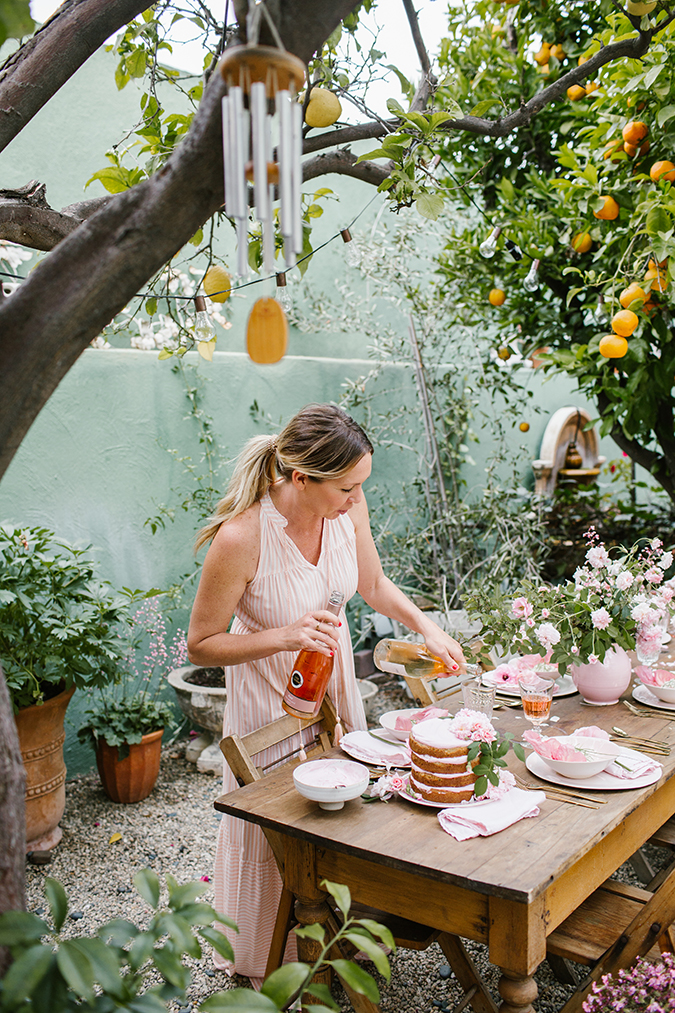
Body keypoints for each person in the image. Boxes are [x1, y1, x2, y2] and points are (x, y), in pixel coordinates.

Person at [187, 403, 465, 985]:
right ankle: (272, 960)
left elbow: (373, 583)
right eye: (346, 486)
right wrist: (283, 636)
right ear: (301, 478)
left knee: (340, 811)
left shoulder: (347, 510)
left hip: (332, 685)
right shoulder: (241, 538)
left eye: (360, 485)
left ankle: (335, 940)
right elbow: (202, 644)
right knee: (284, 826)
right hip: (270, 700)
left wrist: (428, 627)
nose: (356, 498)